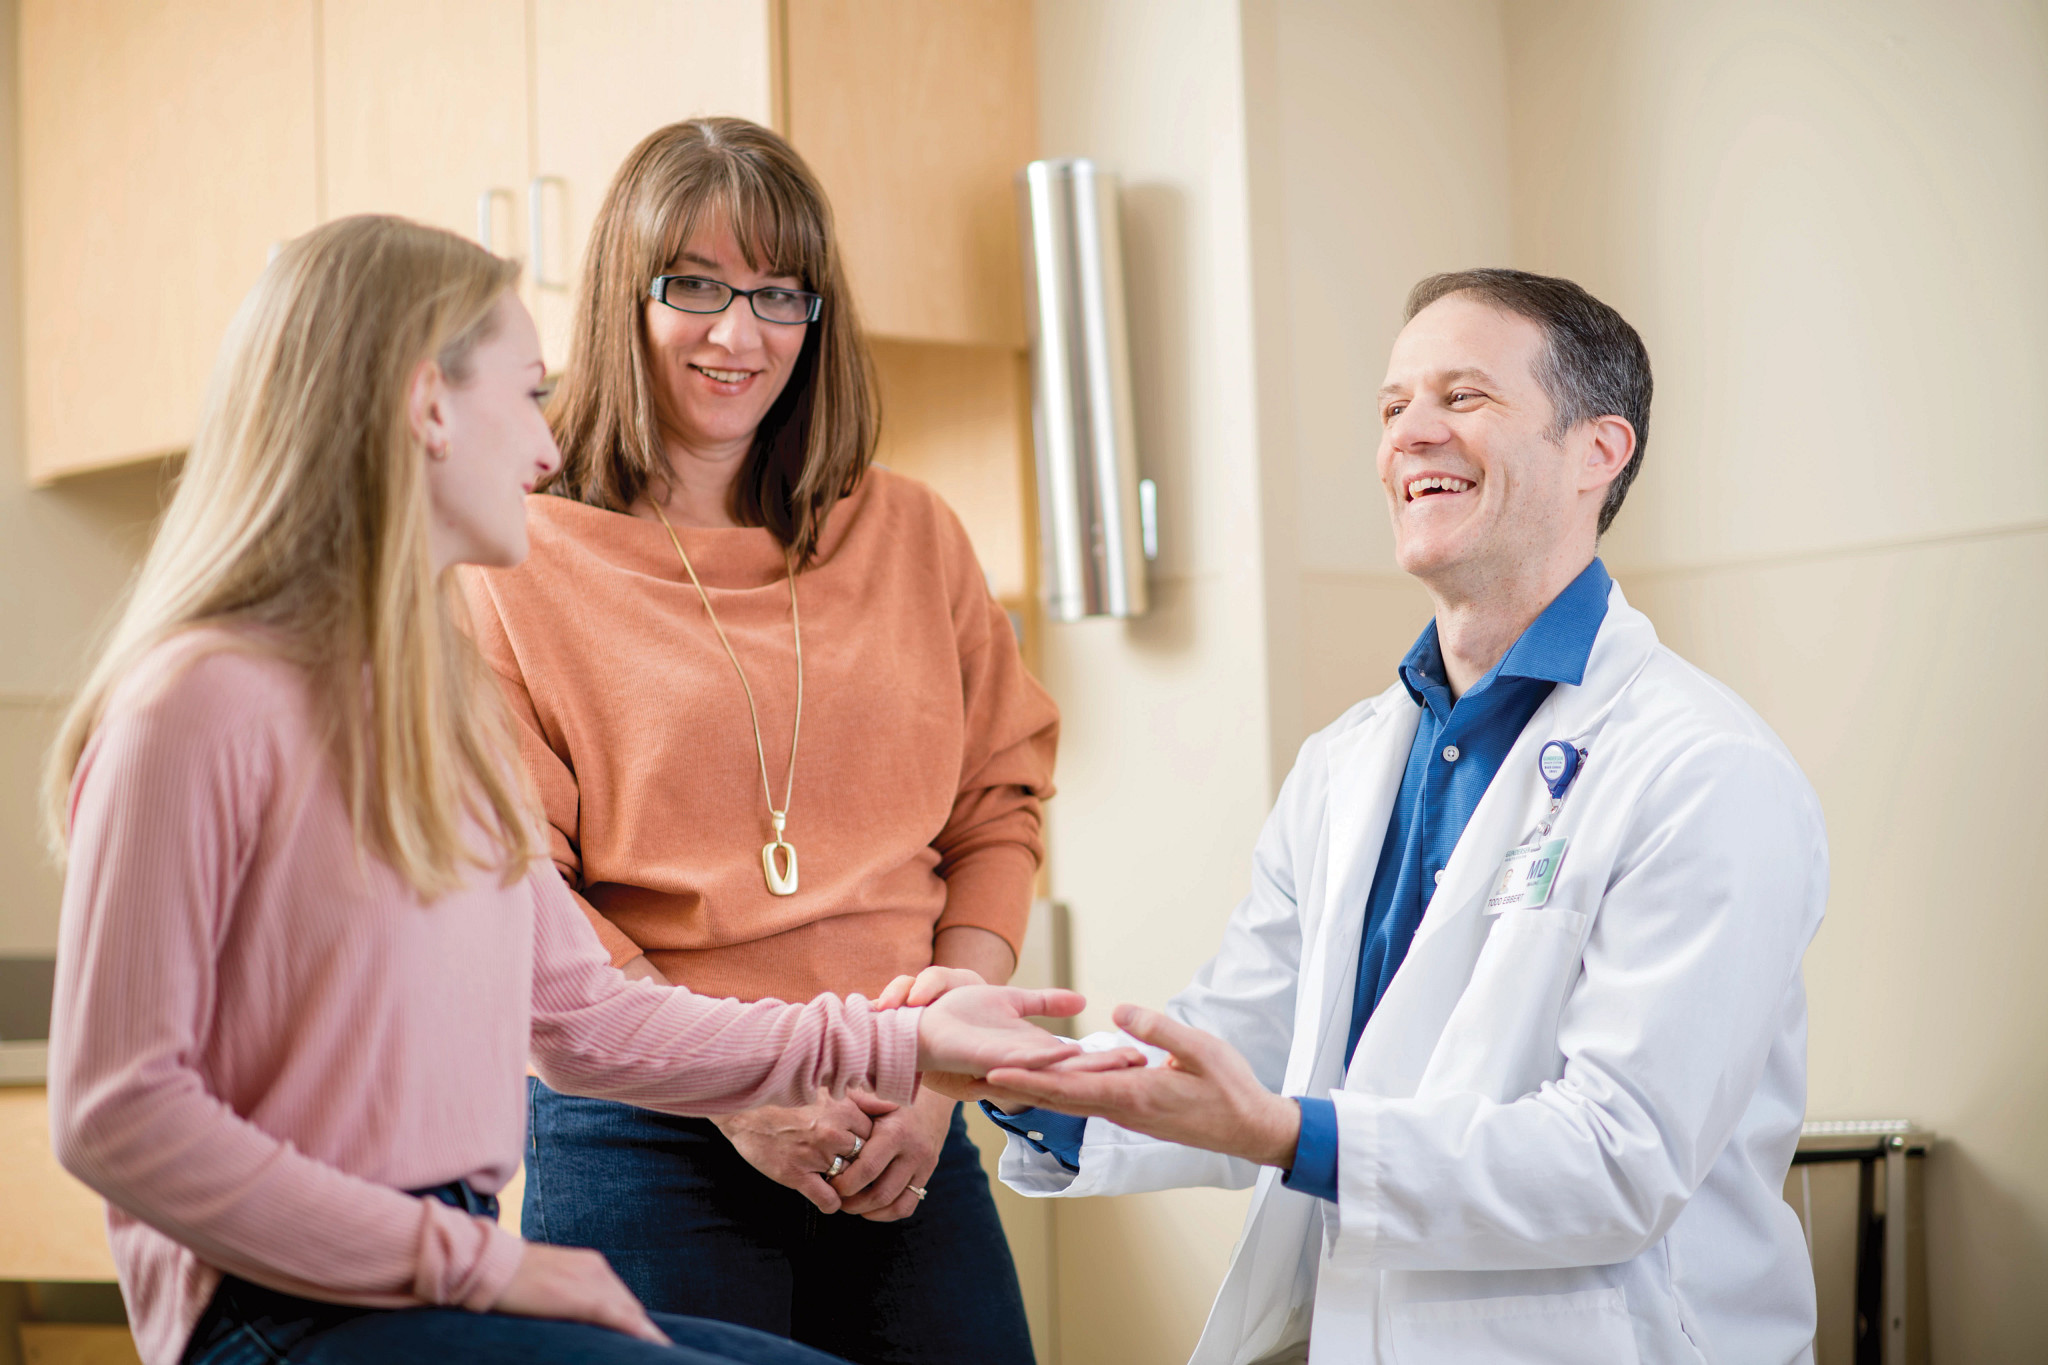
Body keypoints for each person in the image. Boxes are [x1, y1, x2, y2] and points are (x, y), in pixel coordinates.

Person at [39, 215, 1093, 1365]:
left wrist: (900, 1042)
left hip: (439, 1268)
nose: (548, 453)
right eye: (530, 395)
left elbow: (587, 1017)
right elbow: (115, 1116)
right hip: (280, 1306)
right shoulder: (195, 703)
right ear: (428, 408)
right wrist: (487, 1265)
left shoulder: (423, 711)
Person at [968, 270, 1829, 1363]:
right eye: (1390, 407)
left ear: (1595, 452)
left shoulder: (1703, 771)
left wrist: (1287, 1133)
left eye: (1461, 397)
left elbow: (1616, 1158)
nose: (1409, 434)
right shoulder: (1345, 765)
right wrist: (1012, 1074)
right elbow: (1245, 1048)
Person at [461, 119, 1057, 1362]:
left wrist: (943, 1055)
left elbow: (996, 799)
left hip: (902, 1117)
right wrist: (734, 1086)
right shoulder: (510, 553)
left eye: (778, 294)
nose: (739, 336)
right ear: (625, 295)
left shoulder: (911, 533)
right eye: (696, 285)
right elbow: (526, 892)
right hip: (642, 1133)